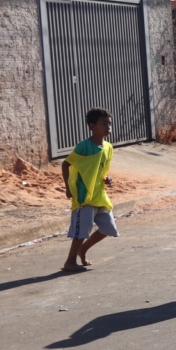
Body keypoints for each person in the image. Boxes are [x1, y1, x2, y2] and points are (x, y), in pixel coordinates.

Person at [61, 108, 119, 272]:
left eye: (109, 124)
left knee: (108, 228)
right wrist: (68, 187)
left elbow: (100, 169)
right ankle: (70, 261)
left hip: (100, 195)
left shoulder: (108, 147)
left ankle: (83, 250)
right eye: (104, 124)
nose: (108, 127)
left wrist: (106, 179)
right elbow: (66, 164)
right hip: (84, 197)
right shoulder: (84, 146)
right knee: (81, 231)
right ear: (92, 126)